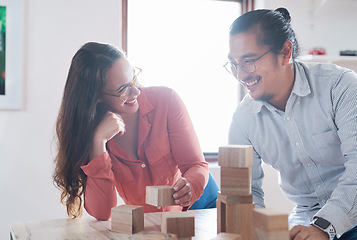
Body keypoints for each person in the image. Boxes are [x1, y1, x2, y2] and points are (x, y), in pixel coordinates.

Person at [224, 7, 357, 240]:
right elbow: (243, 193)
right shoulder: (243, 119)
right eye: (234, 64)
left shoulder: (340, 87)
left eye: (249, 61)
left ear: (285, 52)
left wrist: (323, 227)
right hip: (306, 219)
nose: (240, 75)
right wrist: (253, 229)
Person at [53, 42, 209, 220]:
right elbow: (103, 213)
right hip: (148, 226)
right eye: (123, 90)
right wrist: (97, 143)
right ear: (95, 97)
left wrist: (190, 185)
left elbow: (196, 165)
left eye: (133, 78)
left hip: (197, 208)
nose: (136, 91)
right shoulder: (90, 132)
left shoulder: (166, 100)